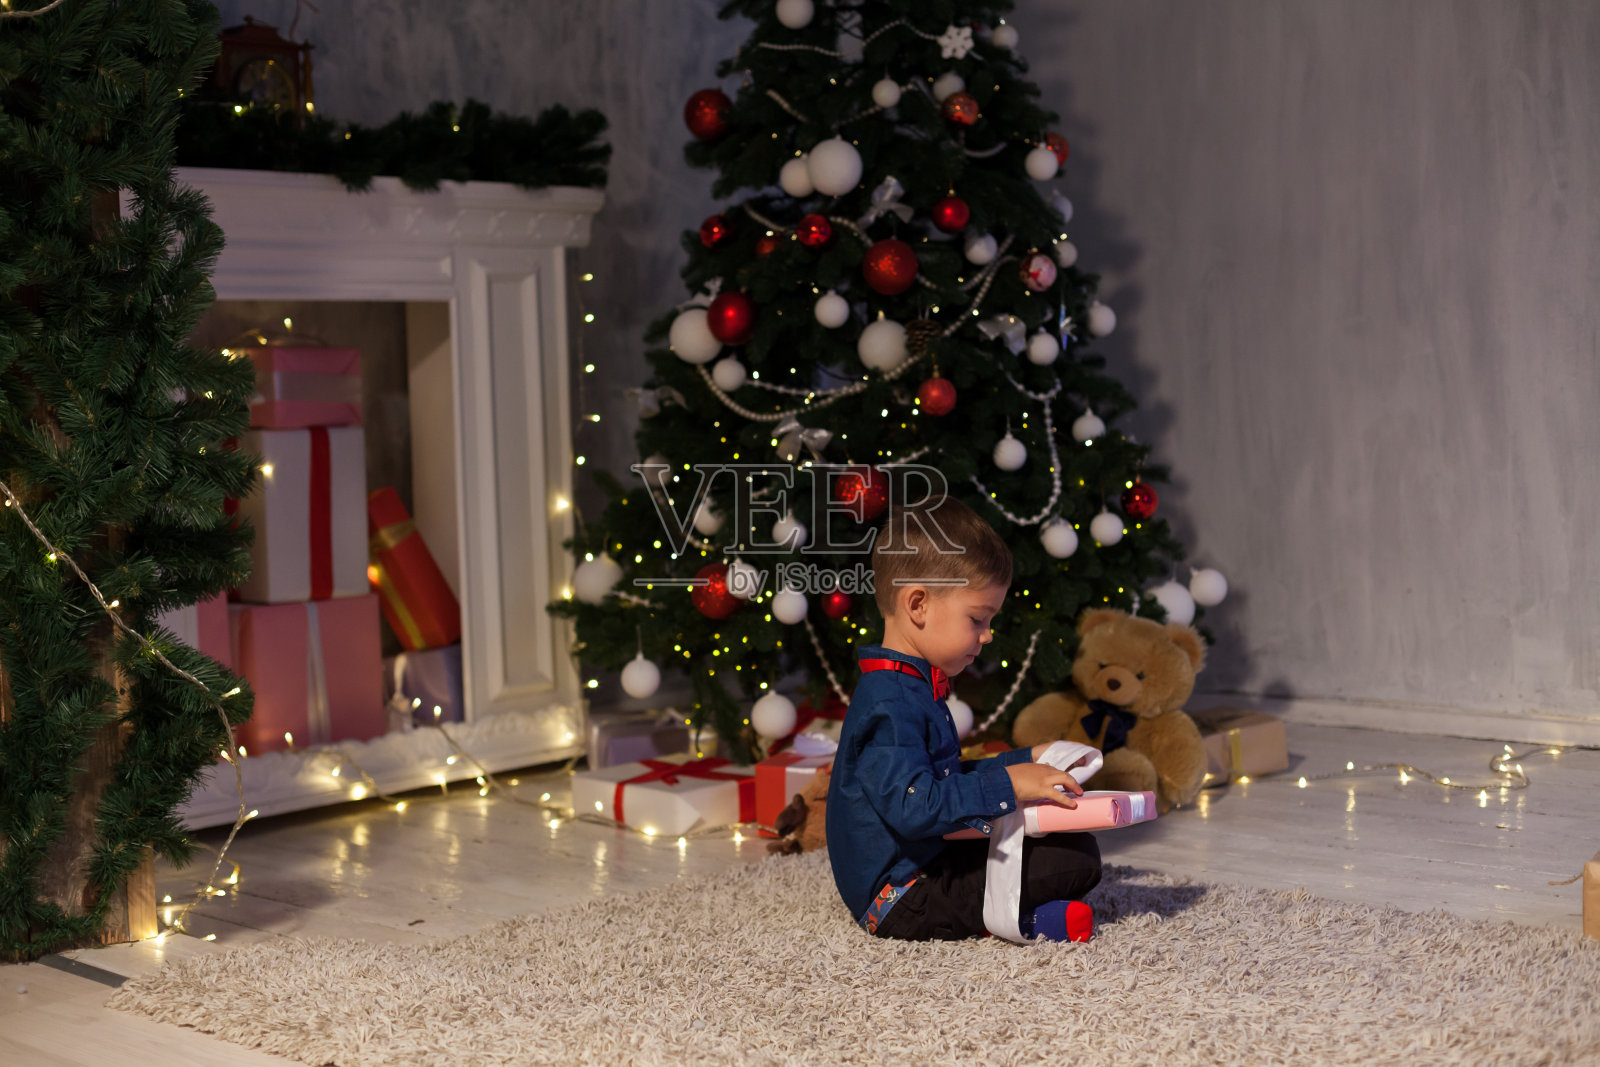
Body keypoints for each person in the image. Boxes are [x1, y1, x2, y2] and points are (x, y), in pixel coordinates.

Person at [826, 496, 1102, 942]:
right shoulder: (889, 704)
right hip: (900, 896)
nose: (987, 635)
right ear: (918, 605)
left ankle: (1013, 910)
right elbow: (918, 807)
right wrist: (1011, 784)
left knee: (1073, 847)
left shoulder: (909, 685)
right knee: (1073, 862)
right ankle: (1021, 922)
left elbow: (943, 778)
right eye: (978, 618)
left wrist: (1026, 760)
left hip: (930, 858)